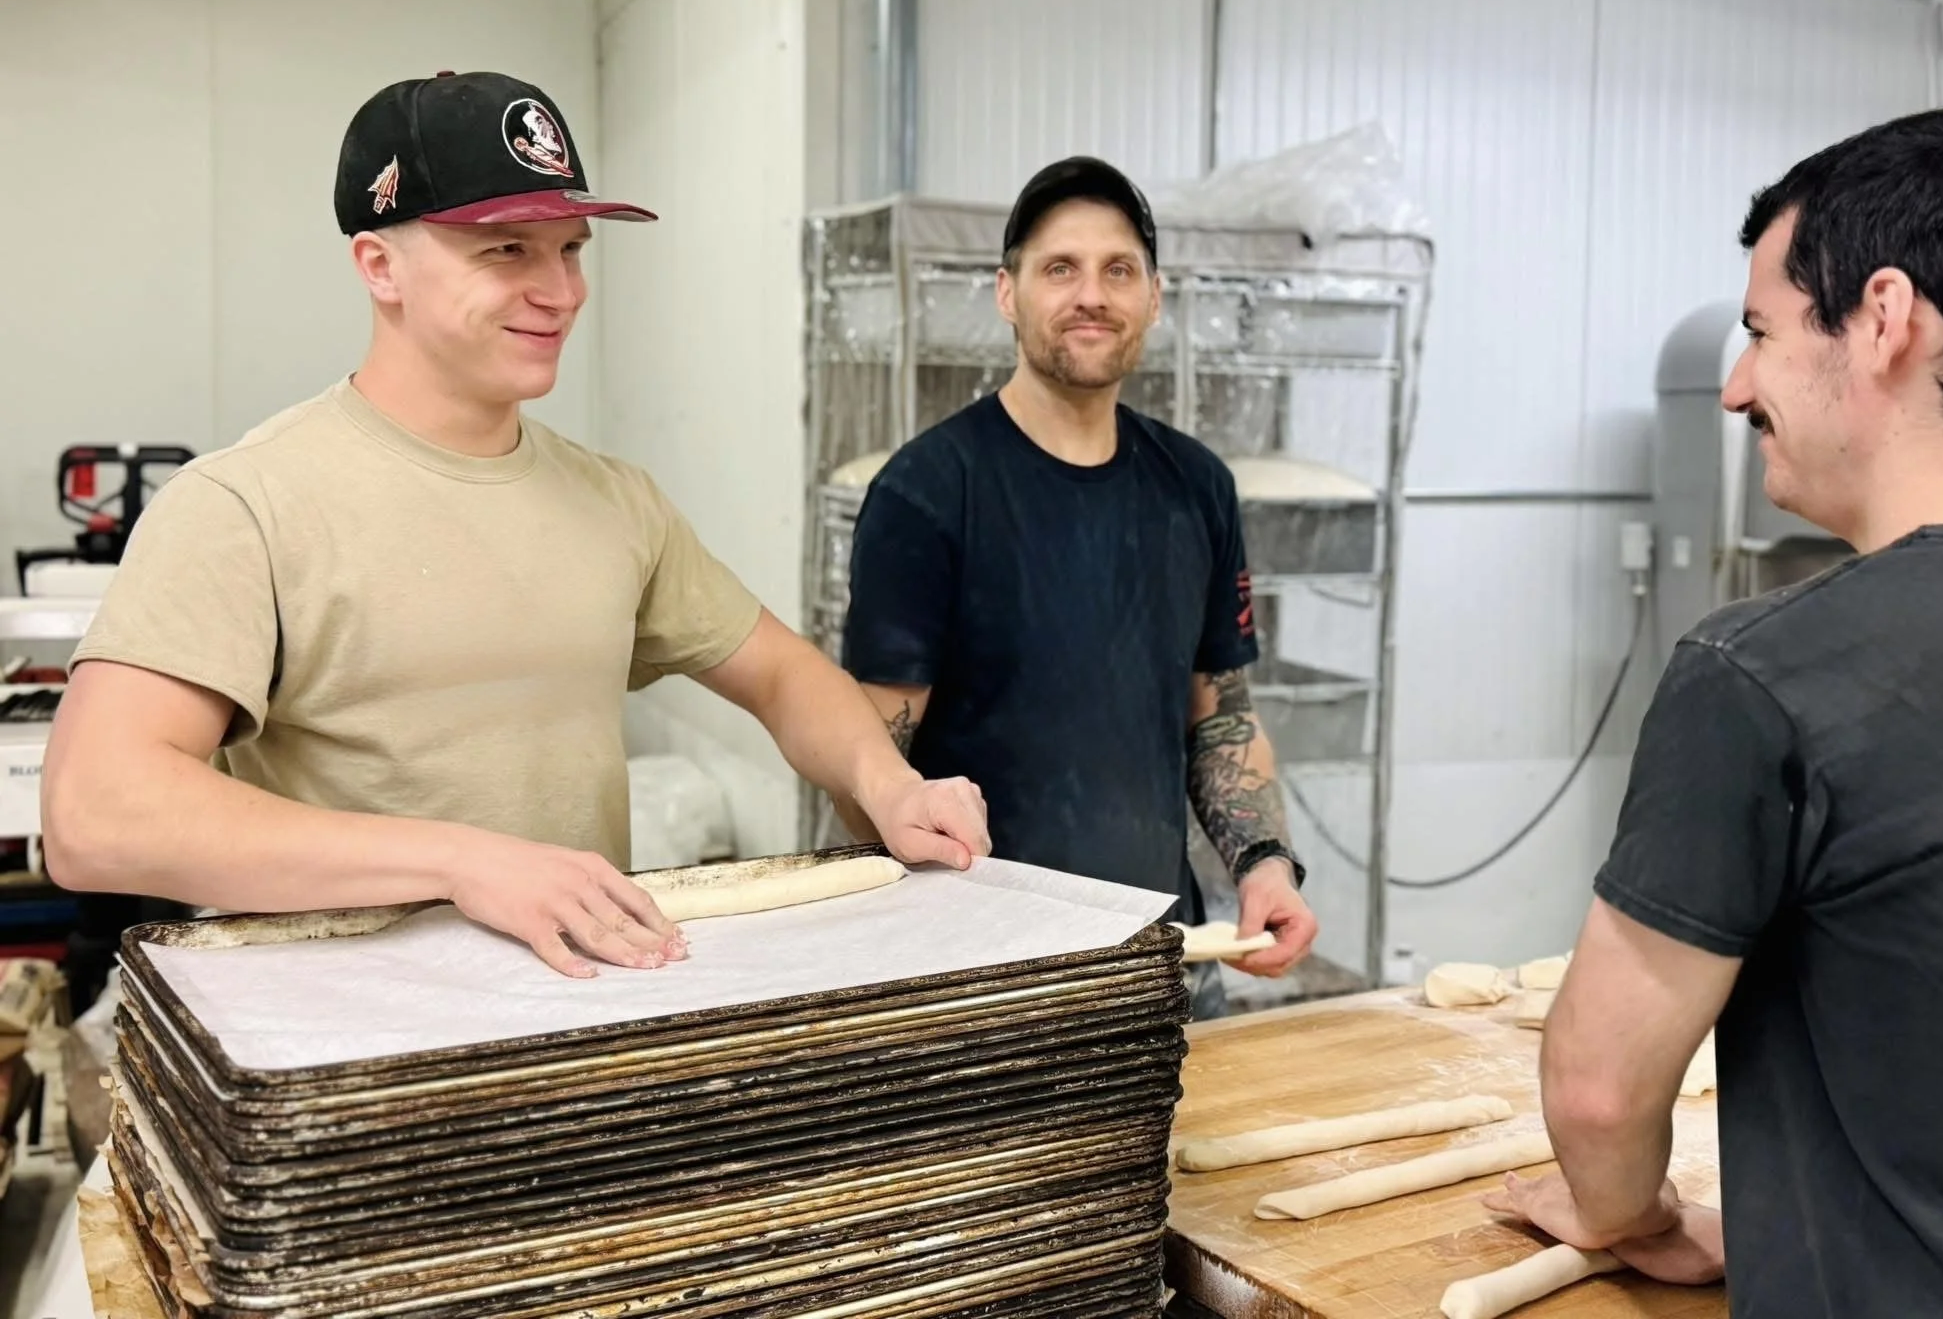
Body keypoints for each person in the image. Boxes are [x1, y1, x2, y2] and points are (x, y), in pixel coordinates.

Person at [40, 69, 988, 979]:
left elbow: (783, 674)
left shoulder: (616, 501)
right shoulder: (247, 504)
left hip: (575, 1013)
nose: (562, 291)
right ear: (379, 265)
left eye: (571, 249)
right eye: (507, 250)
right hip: (344, 1049)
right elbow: (97, 814)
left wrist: (888, 784)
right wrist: (462, 863)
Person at [1485, 104, 1943, 1316]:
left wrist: (1631, 1216)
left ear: (1885, 321)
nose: (1737, 387)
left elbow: (1598, 1092)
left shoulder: (1762, 675)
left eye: (1762, 330)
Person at [836, 156, 1318, 1007]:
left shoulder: (1197, 485)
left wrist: (1266, 864)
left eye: (1118, 270)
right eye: (1060, 268)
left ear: (1155, 299)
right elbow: (864, 761)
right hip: (981, 977)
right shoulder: (928, 492)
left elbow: (1222, 713)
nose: (1091, 293)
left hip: (1163, 962)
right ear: (1006, 293)